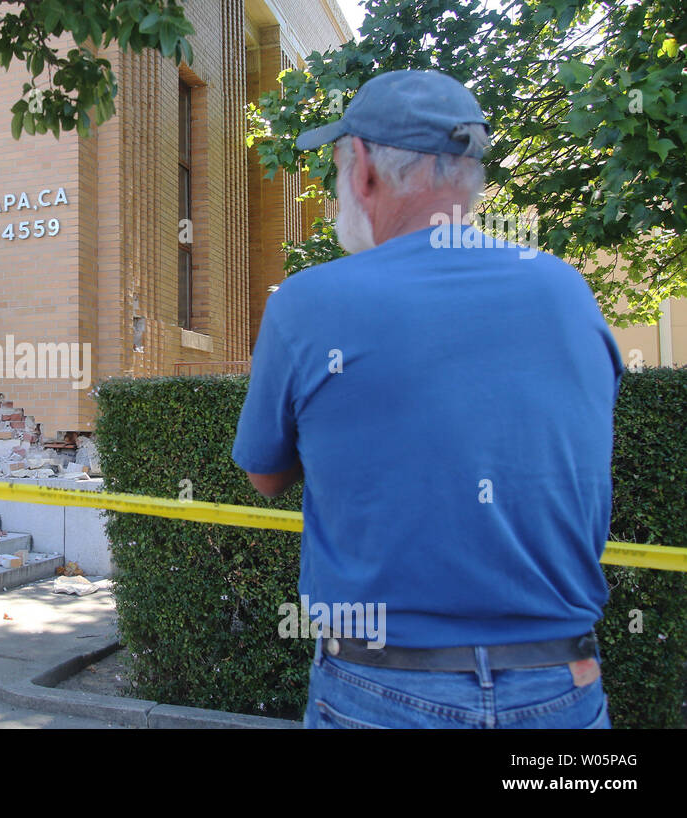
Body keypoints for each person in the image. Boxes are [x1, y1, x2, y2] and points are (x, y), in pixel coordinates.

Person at [232, 70, 623, 729]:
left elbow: (264, 474)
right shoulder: (566, 291)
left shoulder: (308, 302)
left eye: (335, 168)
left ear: (361, 171)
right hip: (559, 683)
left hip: (378, 689)